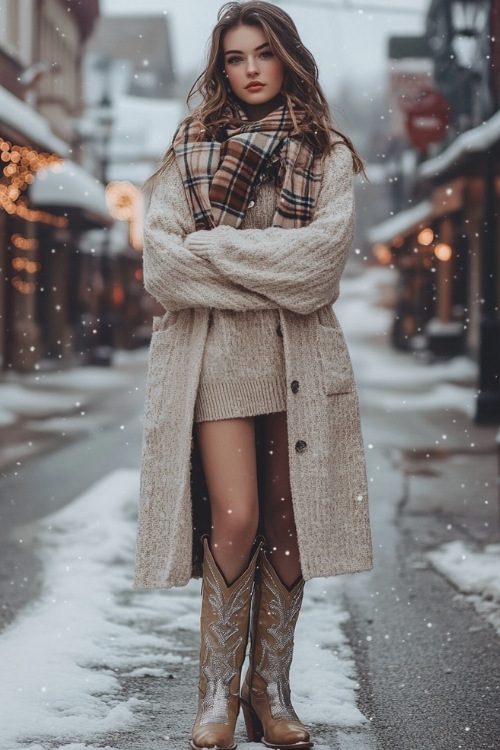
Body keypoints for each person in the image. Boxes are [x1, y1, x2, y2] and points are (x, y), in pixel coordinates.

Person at [134, 2, 373, 748]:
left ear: (287, 58)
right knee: (234, 521)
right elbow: (164, 268)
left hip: (297, 358)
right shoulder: (189, 150)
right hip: (215, 366)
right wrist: (261, 263)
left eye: (263, 53)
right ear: (221, 68)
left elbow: (315, 273)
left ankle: (270, 692)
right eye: (235, 57)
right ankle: (214, 694)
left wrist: (214, 252)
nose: (250, 69)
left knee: (290, 527)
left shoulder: (326, 152)